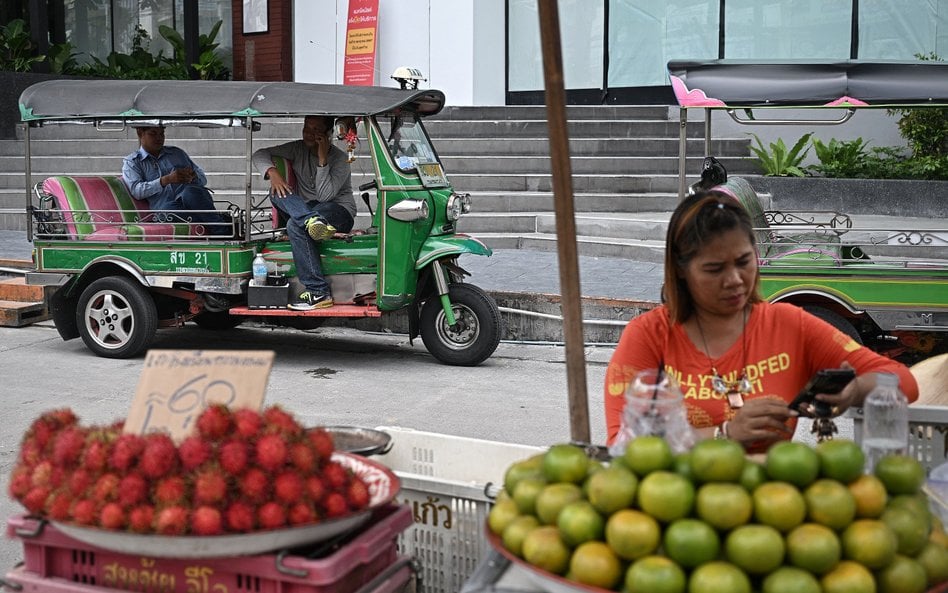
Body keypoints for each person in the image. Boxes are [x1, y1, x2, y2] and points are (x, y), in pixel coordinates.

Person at [604, 189, 919, 452]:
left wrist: (855, 390)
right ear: (681, 271)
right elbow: (621, 446)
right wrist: (723, 433)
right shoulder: (649, 335)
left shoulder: (789, 325)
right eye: (715, 269)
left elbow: (903, 381)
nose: (735, 280)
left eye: (744, 262)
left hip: (772, 509)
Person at [252, 115, 355, 311]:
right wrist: (273, 173)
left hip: (337, 211)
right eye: (306, 128)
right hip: (307, 211)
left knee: (294, 224)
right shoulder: (298, 148)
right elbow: (259, 154)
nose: (309, 133)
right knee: (276, 193)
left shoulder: (341, 160)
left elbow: (325, 196)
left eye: (316, 130)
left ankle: (318, 290)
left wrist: (322, 159)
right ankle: (310, 220)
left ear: (327, 134)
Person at [122, 125, 230, 236]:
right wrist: (166, 180)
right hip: (167, 209)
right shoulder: (133, 162)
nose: (159, 138)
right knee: (168, 210)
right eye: (153, 134)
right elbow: (137, 190)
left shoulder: (176, 153)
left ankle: (219, 227)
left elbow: (203, 178)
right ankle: (221, 227)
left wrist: (194, 176)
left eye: (161, 134)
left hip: (192, 201)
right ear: (140, 133)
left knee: (191, 192)